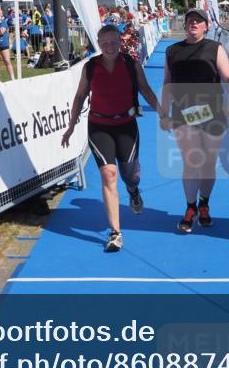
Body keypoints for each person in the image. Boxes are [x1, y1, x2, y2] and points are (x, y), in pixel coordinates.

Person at [61, 24, 165, 253]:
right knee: (109, 175)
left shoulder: (131, 64)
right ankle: (115, 233)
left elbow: (146, 91)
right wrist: (70, 126)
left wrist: (162, 114)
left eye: (113, 42)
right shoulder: (90, 67)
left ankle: (133, 191)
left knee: (130, 175)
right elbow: (79, 96)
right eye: (104, 43)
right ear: (99, 44)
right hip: (99, 126)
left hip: (126, 125)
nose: (109, 47)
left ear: (120, 42)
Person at [160, 8, 229, 233]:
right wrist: (164, 112)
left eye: (198, 21)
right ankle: (190, 207)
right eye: (190, 21)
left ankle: (204, 202)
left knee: (208, 163)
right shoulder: (172, 51)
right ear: (184, 26)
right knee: (191, 162)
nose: (193, 24)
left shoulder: (215, 48)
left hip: (212, 113)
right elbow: (167, 83)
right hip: (184, 114)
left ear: (206, 26)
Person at [0, 7, 15, 83]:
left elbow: (2, 32)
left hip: (3, 44)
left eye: (0, 12)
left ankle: (12, 78)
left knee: (7, 61)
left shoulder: (3, 22)